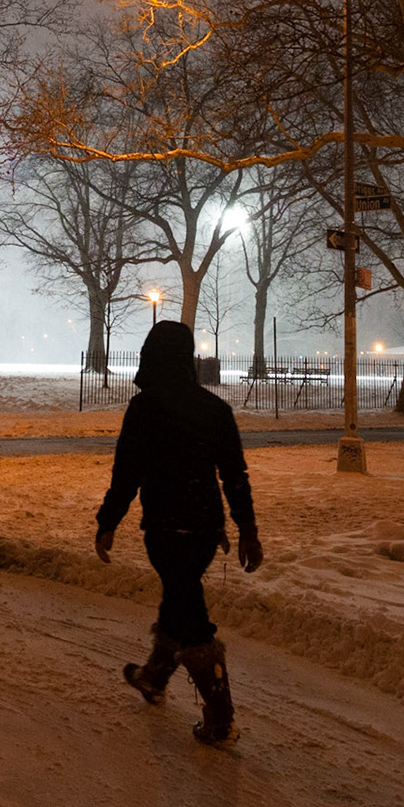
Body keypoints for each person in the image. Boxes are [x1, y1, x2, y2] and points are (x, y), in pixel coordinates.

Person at [95, 319, 262, 747]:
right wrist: (246, 529)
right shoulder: (214, 410)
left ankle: (220, 719)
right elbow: (234, 476)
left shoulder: (145, 408)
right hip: (205, 529)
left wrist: (108, 521)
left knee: (191, 616)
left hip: (165, 529)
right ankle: (153, 677)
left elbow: (126, 473)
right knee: (180, 597)